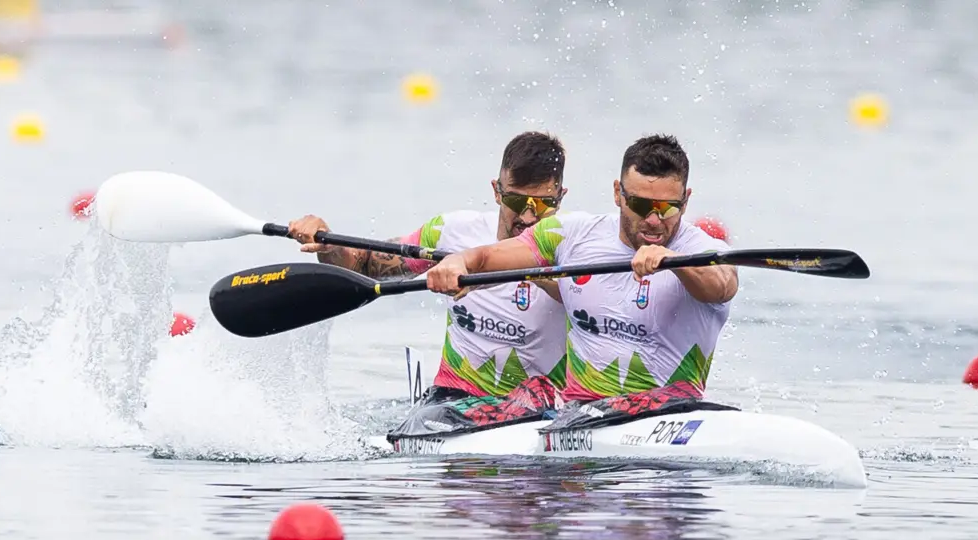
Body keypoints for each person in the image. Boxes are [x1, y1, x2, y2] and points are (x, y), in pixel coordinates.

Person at [423, 134, 737, 421]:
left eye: (668, 209)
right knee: (534, 392)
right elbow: (487, 257)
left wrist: (676, 263)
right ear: (618, 194)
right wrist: (458, 262)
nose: (654, 220)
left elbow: (723, 286)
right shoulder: (572, 235)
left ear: (686, 200)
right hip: (579, 418)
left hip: (668, 413)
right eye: (641, 205)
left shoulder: (703, 250)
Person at [287, 132, 573, 437]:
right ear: (496, 191)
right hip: (453, 401)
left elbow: (597, 303)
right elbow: (363, 265)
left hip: (543, 405)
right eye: (516, 201)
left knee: (537, 392)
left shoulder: (577, 244)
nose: (528, 217)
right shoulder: (453, 231)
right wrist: (329, 245)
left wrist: (535, 272)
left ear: (561, 198)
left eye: (542, 205)